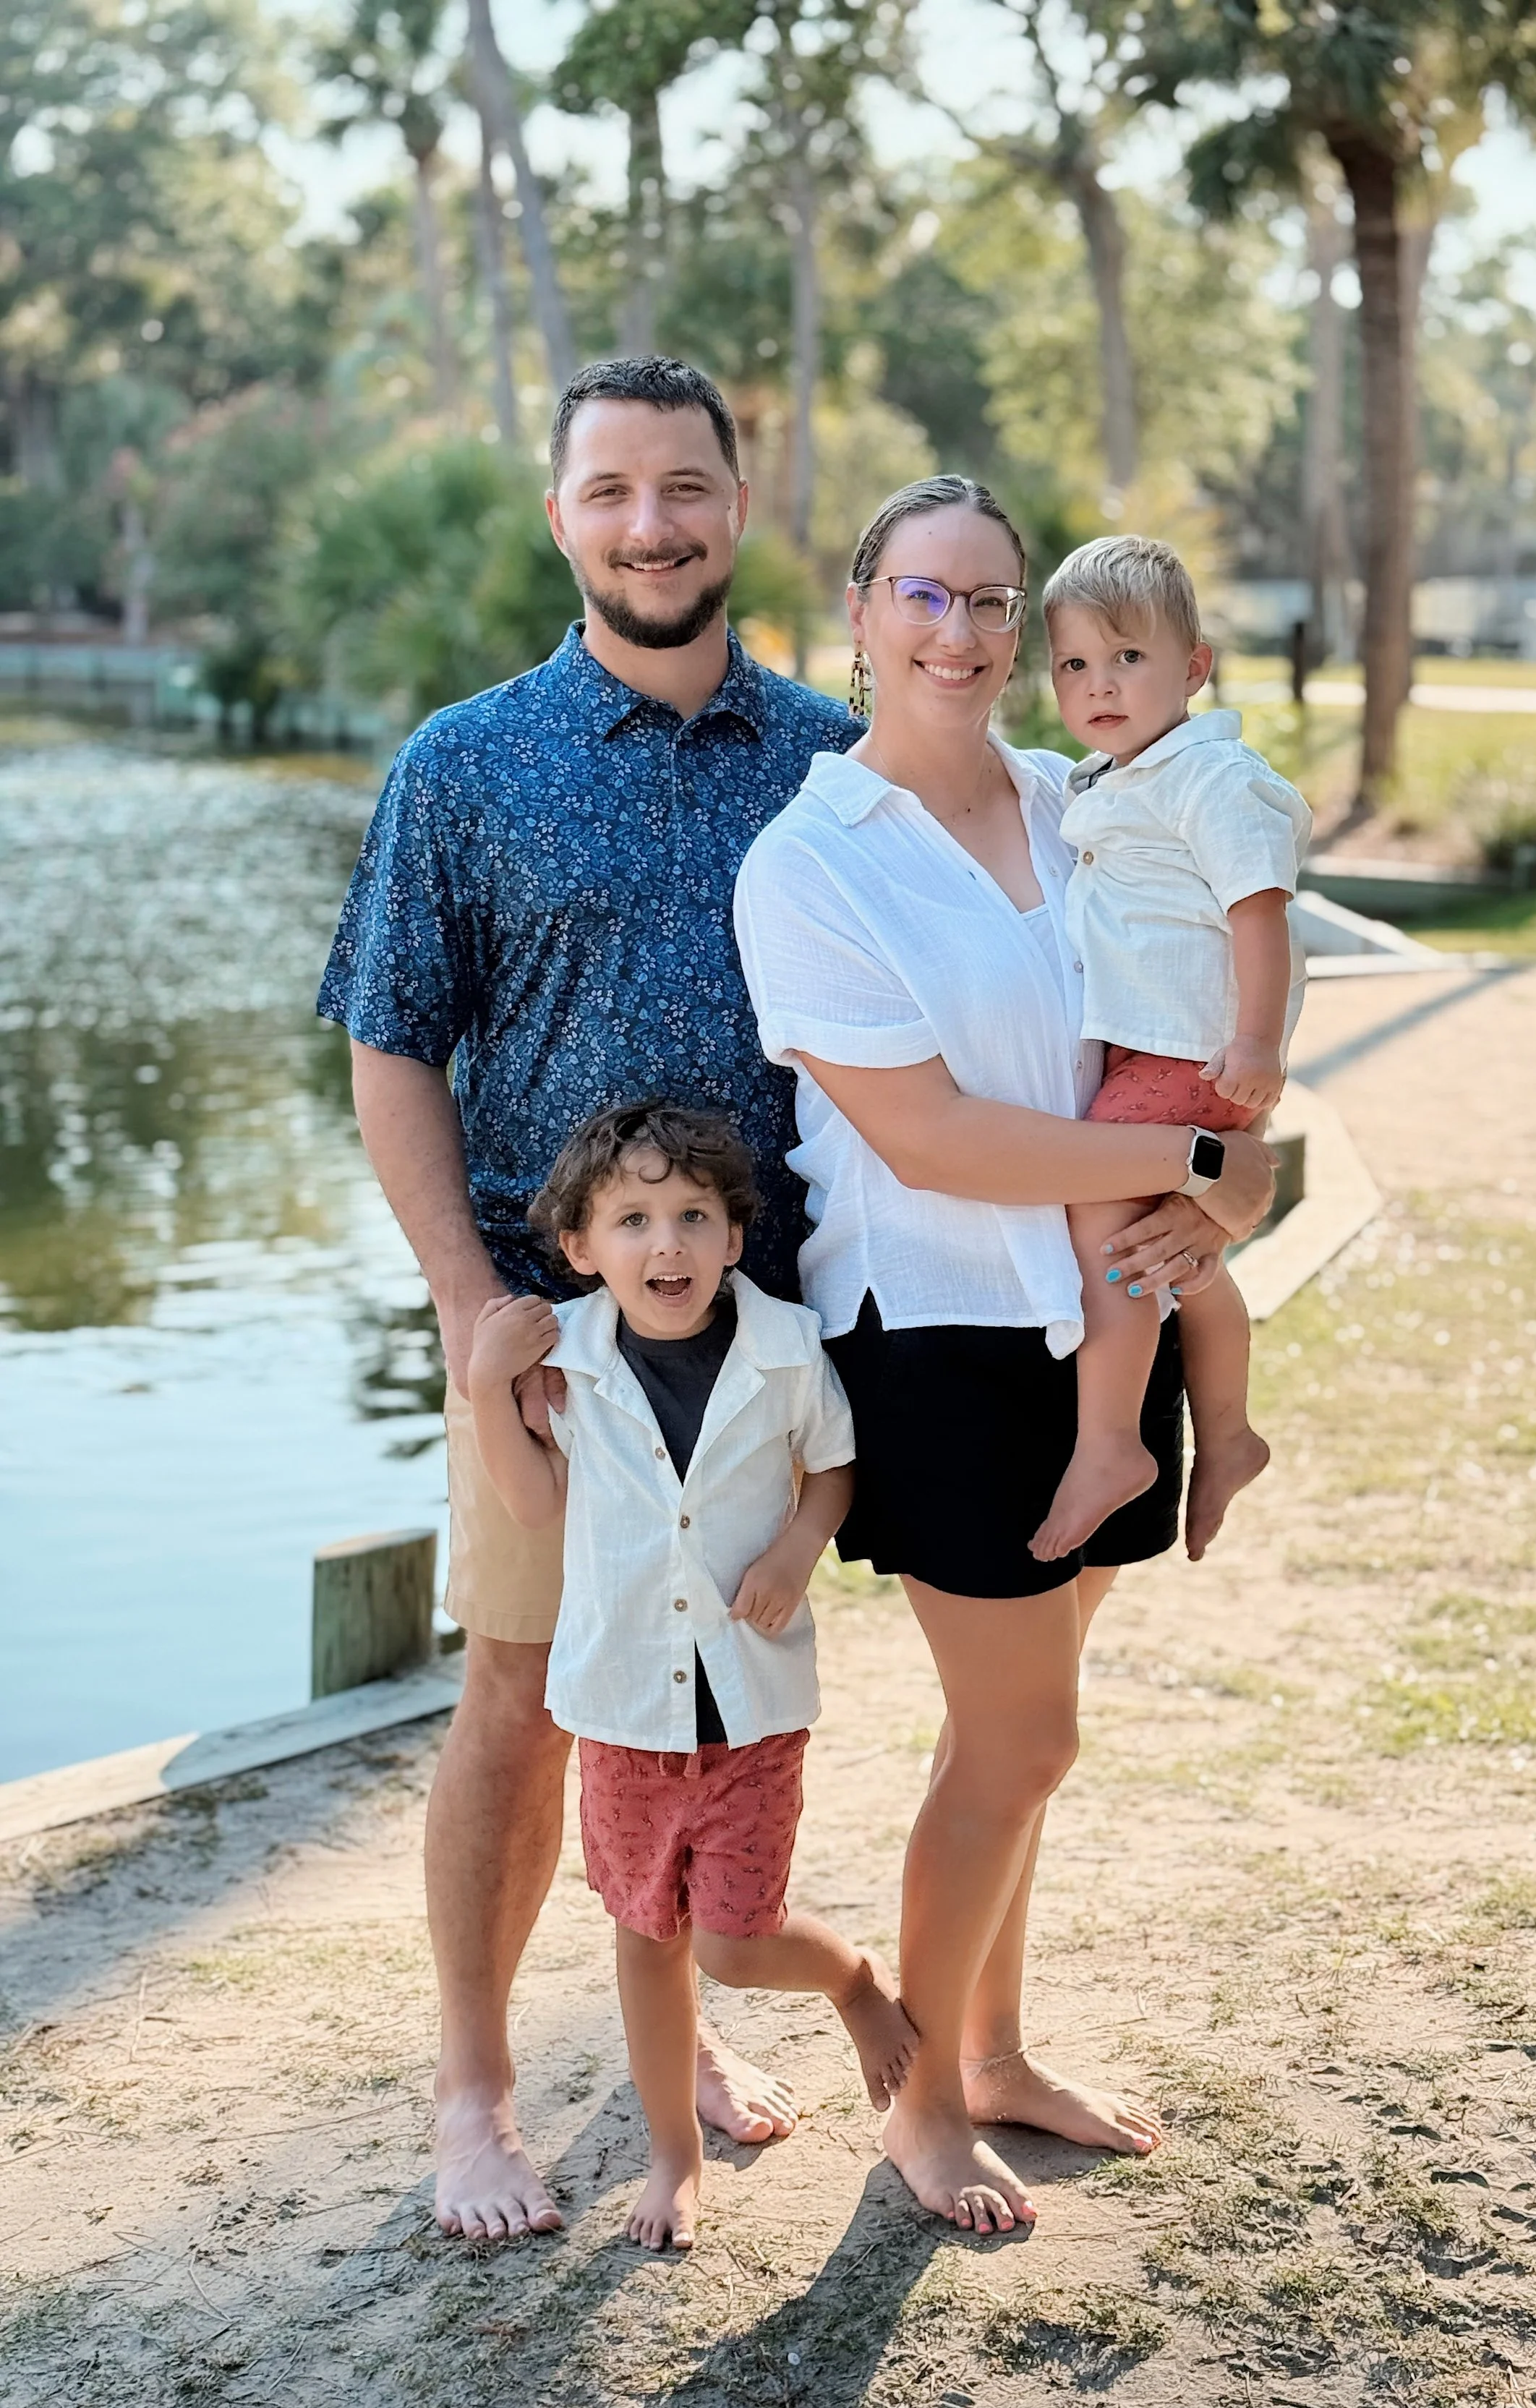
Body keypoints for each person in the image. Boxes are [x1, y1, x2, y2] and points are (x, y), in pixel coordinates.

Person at [316, 354, 862, 2243]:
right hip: (551, 1358)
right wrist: (472, 1303)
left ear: (738, 499)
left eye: (686, 485)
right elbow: (390, 1048)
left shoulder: (834, 760)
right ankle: (470, 2096)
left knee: (711, 1714)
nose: (652, 522)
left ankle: (672, 2042)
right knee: (521, 1702)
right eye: (612, 488)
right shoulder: (463, 765)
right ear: (561, 515)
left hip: (764, 1349)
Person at [733, 477, 1276, 2236]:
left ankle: (994, 2050)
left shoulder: (1090, 802)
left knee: (1034, 1727)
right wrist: (1198, 1165)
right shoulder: (809, 860)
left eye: (992, 604)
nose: (958, 636)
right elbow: (942, 1141)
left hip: (1097, 1320)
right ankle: (915, 2105)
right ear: (859, 607)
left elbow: (1194, 1031)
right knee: (1015, 1742)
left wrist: (1229, 1166)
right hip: (936, 1335)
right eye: (922, 597)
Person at [466, 1101, 915, 2250]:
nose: (664, 1245)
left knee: (732, 1939)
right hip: (622, 1711)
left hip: (751, 1707)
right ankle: (673, 2157)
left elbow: (833, 1467)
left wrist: (794, 1550)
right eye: (632, 1220)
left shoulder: (787, 1348)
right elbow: (532, 1505)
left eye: (692, 1217)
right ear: (581, 1246)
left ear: (731, 1235)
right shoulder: (559, 1357)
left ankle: (855, 1982)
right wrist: (484, 1387)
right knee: (645, 1937)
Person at [1031, 535, 1311, 1564]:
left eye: (1128, 659)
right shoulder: (1109, 777)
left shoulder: (1209, 777)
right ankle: (1228, 1433)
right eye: (1072, 665)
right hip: (1167, 1060)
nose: (1098, 685)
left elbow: (1260, 911)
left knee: (1105, 1232)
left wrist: (1255, 1045)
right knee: (1179, 1262)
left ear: (1194, 667)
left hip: (1191, 1060)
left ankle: (1111, 1443)